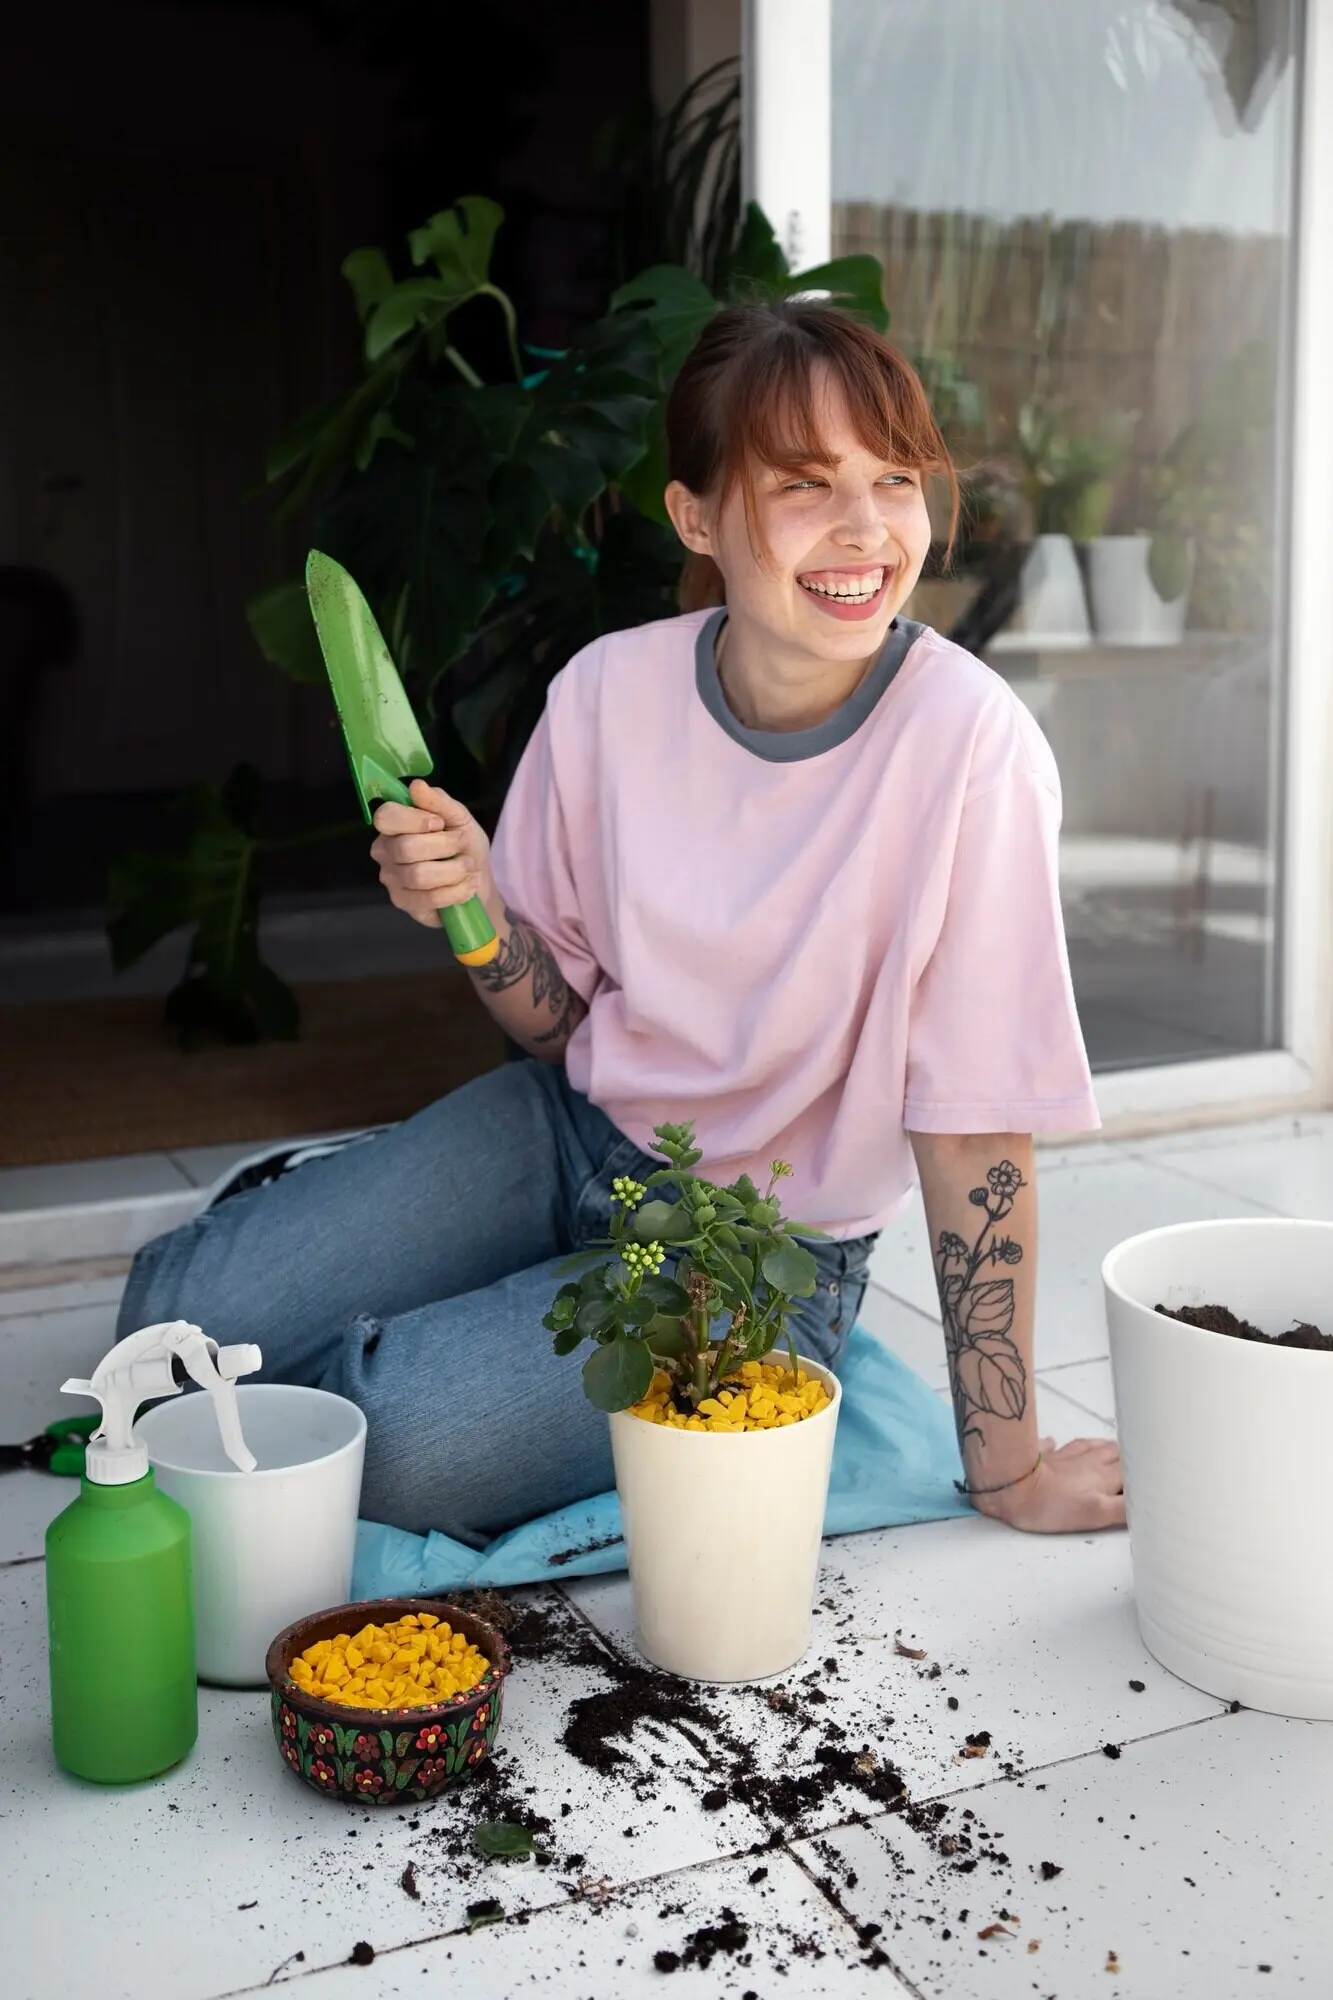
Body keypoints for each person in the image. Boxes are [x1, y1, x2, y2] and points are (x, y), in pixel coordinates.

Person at [118, 300, 1124, 1544]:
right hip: (571, 1128)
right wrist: (476, 909)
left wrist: (1009, 1467)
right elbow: (560, 1024)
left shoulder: (974, 750)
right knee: (169, 1317)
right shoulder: (606, 694)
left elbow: (975, 1134)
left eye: (895, 479)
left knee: (391, 1449)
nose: (867, 529)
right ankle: (393, 1248)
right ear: (696, 515)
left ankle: (444, 1315)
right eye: (806, 485)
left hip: (753, 1250)